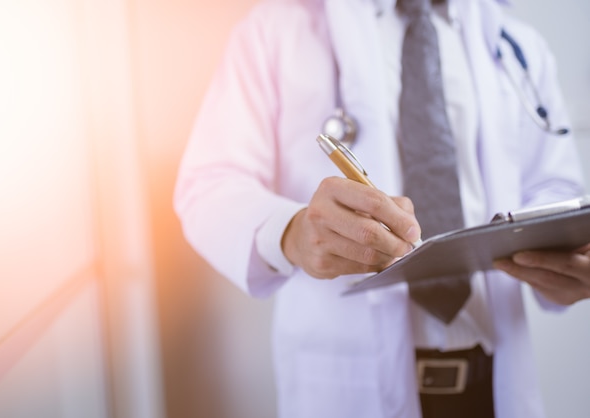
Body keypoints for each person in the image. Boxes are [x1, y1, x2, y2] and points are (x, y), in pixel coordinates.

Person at [174, 0, 590, 416]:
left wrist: (563, 254)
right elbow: (208, 185)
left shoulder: (515, 42)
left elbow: (554, 183)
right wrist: (292, 231)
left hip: (491, 386)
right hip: (349, 390)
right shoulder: (274, 33)